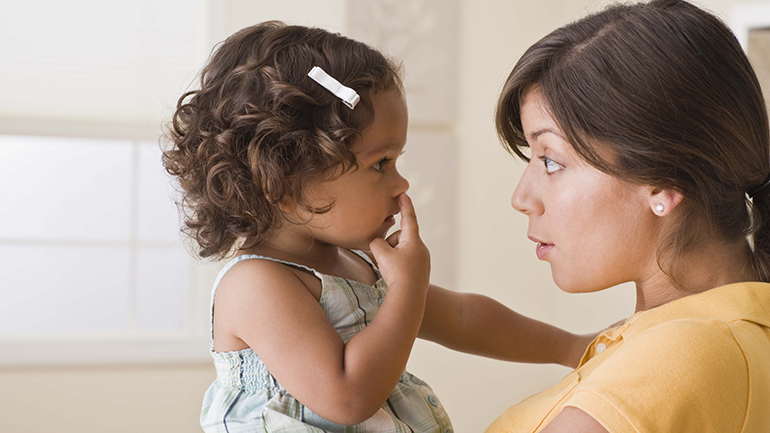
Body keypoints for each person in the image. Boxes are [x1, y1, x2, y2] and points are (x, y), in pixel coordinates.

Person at [162, 21, 594, 432]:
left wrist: (571, 347)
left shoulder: (358, 263)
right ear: (285, 181)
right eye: (380, 163)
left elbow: (463, 319)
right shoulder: (257, 285)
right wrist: (407, 289)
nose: (401, 182)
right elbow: (348, 397)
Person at [485, 0, 770, 432]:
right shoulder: (695, 337)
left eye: (551, 161)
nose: (522, 198)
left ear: (661, 181)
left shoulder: (684, 352)